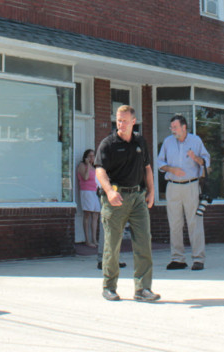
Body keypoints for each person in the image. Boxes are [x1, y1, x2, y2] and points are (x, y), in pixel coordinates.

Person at [94, 105, 159, 302]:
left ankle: (143, 289)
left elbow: (147, 167)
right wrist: (109, 192)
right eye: (118, 121)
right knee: (112, 244)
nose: (120, 124)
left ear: (133, 121)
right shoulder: (108, 144)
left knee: (143, 242)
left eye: (124, 120)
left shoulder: (140, 141)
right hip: (116, 197)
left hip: (138, 198)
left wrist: (151, 191)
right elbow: (100, 170)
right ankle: (109, 287)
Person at [156, 114, 210, 271]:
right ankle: (178, 258)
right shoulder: (167, 142)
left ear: (184, 127)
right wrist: (171, 169)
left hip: (191, 186)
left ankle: (198, 258)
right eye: (171, 127)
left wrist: (196, 158)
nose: (173, 130)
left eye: (175, 127)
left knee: (194, 222)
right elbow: (160, 163)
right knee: (174, 223)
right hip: (172, 186)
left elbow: (206, 161)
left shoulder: (196, 141)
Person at [76, 149, 99, 247]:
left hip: (94, 192)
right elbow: (85, 177)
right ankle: (87, 240)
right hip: (86, 191)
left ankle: (94, 239)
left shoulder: (94, 168)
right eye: (89, 156)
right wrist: (88, 165)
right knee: (87, 214)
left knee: (96, 214)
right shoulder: (82, 166)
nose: (91, 158)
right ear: (85, 157)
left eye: (93, 156)